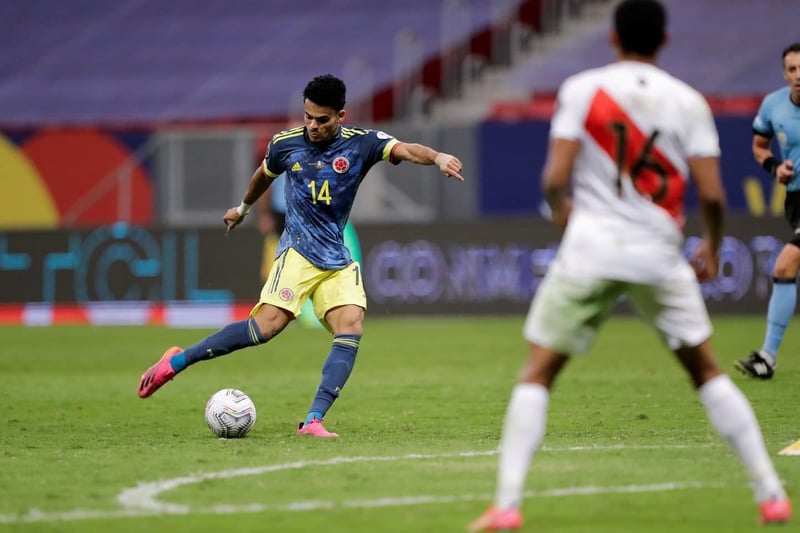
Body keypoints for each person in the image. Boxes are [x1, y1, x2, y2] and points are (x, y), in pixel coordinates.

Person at [468, 1, 791, 530]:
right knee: (706, 370)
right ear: (663, 40)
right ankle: (771, 495)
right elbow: (711, 193)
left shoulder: (581, 89)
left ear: (613, 39)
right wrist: (710, 244)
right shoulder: (687, 101)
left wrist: (564, 214)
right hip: (659, 251)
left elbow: (554, 178)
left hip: (590, 247)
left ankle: (506, 505)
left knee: (539, 372)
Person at [138, 74, 464, 438]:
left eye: (322, 120)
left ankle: (313, 420)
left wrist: (438, 157)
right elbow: (265, 173)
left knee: (351, 326)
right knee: (265, 329)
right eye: (308, 116)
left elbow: (405, 149)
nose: (312, 126)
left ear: (340, 115)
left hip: (336, 257)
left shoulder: (363, 144)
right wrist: (243, 208)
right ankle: (177, 361)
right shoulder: (285, 144)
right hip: (297, 250)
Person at [735, 42, 800, 381]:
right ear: (785, 73)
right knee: (786, 268)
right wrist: (775, 167)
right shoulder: (773, 105)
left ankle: (767, 357)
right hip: (796, 198)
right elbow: (759, 146)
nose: (799, 76)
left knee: (785, 264)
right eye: (792, 69)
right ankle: (768, 358)